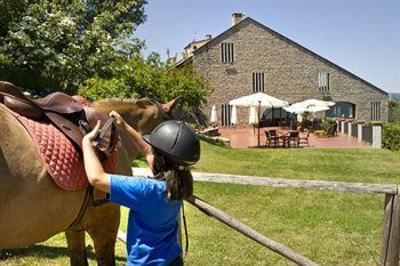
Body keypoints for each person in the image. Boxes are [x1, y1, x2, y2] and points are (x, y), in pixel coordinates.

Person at [82, 111, 200, 266]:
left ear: (161, 159)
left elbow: (97, 178)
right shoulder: (181, 183)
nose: (151, 152)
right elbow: (148, 152)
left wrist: (86, 142)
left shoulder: (145, 190)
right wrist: (124, 125)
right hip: (173, 259)